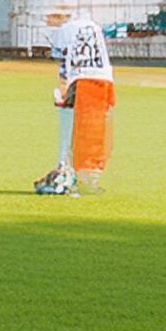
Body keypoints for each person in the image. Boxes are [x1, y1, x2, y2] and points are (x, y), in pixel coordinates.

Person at [34, 14, 116, 196]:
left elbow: (65, 62)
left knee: (76, 130)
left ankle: (68, 172)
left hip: (80, 78)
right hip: (102, 79)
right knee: (94, 133)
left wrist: (63, 87)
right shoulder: (92, 28)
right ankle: (83, 176)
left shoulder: (67, 32)